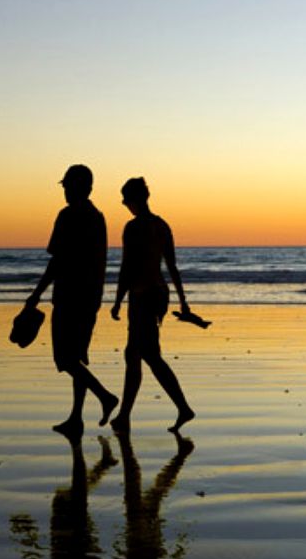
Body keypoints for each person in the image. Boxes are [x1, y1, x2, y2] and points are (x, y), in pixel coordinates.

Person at [27, 164, 119, 436]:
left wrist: (35, 295)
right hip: (91, 297)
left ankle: (105, 396)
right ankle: (76, 419)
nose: (64, 190)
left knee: (65, 360)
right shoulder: (97, 217)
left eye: (67, 185)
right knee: (77, 357)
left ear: (79, 187)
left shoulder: (67, 216)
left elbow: (57, 260)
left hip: (69, 296)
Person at [109, 177, 195, 433]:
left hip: (142, 295)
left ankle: (182, 408)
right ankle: (124, 416)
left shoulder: (133, 227)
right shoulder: (161, 225)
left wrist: (116, 301)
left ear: (134, 199)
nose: (125, 205)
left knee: (148, 355)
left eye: (126, 200)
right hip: (159, 294)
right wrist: (182, 300)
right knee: (135, 354)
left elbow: (127, 267)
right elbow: (172, 266)